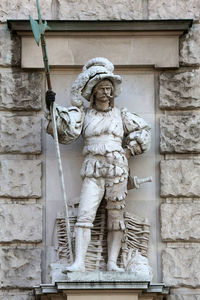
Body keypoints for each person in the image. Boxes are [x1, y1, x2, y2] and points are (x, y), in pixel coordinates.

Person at [45, 57, 151, 272]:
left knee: (116, 218)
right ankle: (79, 262)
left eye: (109, 88)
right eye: (101, 88)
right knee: (85, 214)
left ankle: (112, 262)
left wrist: (128, 152)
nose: (106, 92)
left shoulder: (121, 115)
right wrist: (51, 106)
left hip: (117, 169)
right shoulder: (84, 115)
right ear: (93, 92)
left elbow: (144, 131)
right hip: (93, 167)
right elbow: (63, 129)